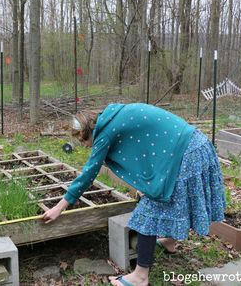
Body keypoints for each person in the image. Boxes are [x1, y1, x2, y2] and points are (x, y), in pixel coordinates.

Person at [42, 103, 226, 286]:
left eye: (83, 141)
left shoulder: (104, 133)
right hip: (195, 143)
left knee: (149, 209)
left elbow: (89, 173)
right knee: (171, 198)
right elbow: (146, 146)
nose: (85, 146)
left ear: (88, 132)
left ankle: (140, 276)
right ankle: (170, 241)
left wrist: (60, 207)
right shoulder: (113, 117)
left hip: (187, 153)